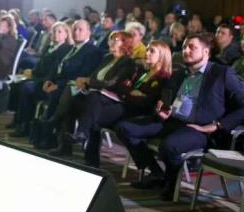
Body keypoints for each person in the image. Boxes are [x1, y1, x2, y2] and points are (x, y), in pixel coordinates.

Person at [114, 33, 244, 200]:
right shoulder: (179, 73)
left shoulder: (221, 73)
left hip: (199, 128)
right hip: (171, 120)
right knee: (124, 128)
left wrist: (217, 125)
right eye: (184, 47)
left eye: (192, 47)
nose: (186, 51)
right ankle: (155, 172)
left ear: (206, 52)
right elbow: (167, 101)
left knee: (169, 146)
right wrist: (162, 109)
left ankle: (171, 182)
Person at [72, 41, 172, 167]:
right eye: (147, 50)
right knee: (94, 100)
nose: (147, 53)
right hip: (126, 105)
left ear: (162, 56)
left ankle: (89, 153)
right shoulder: (143, 72)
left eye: (152, 51)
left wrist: (130, 94)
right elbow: (122, 88)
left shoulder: (163, 78)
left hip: (139, 113)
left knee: (93, 114)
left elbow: (148, 102)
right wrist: (132, 93)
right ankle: (88, 154)